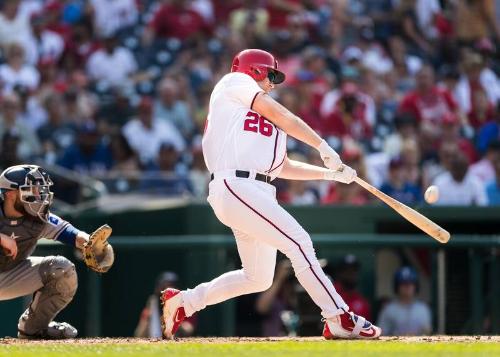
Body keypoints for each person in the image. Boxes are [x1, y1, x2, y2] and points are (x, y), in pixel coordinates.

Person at [160, 49, 381, 340]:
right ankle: (339, 316)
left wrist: (329, 174)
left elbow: (283, 166)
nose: (273, 83)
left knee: (258, 277)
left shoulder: (262, 124)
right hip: (235, 185)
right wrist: (322, 145)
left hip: (256, 191)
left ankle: (185, 302)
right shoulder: (233, 82)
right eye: (271, 75)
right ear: (255, 70)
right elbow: (281, 113)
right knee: (299, 242)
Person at [0, 164, 113, 339]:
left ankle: (33, 329)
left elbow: (69, 233)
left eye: (39, 190)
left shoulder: (38, 217)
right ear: (10, 194)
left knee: (61, 270)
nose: (38, 196)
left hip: (8, 276)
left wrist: (90, 242)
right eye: (30, 190)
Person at [135, 271, 195, 338]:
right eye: (163, 287)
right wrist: (149, 318)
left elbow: (188, 329)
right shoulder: (151, 307)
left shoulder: (185, 305)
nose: (167, 293)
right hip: (154, 345)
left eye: (171, 288)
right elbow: (138, 334)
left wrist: (173, 320)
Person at [377, 266, 432, 336]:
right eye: (403, 283)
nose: (407, 287)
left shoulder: (423, 309)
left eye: (410, 283)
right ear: (397, 286)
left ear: (416, 286)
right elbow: (381, 334)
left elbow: (427, 333)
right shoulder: (389, 309)